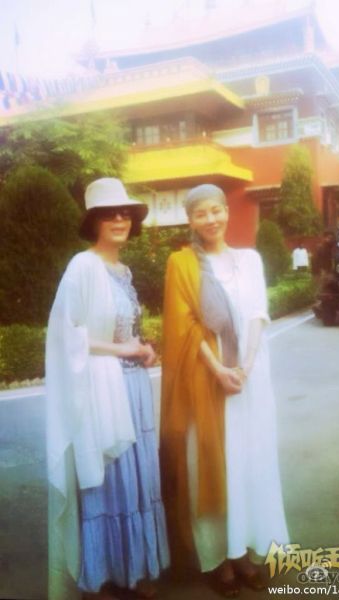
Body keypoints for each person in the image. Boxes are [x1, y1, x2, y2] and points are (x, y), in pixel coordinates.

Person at [160, 184, 289, 597]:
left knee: (248, 463)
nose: (210, 219)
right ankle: (219, 559)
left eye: (216, 210)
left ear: (227, 212)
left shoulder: (249, 260)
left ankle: (244, 552)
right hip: (206, 380)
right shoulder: (181, 263)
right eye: (200, 213)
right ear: (190, 220)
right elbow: (183, 326)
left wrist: (244, 367)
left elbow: (257, 314)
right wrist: (218, 370)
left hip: (250, 378)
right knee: (210, 466)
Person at [46, 178, 169, 600]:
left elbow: (122, 332)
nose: (120, 219)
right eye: (109, 214)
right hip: (102, 390)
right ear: (94, 222)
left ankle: (134, 569)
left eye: (125, 213)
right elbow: (67, 334)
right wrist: (123, 349)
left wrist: (141, 348)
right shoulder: (83, 266)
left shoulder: (123, 271)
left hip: (133, 389)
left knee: (136, 479)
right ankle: (101, 574)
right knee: (108, 479)